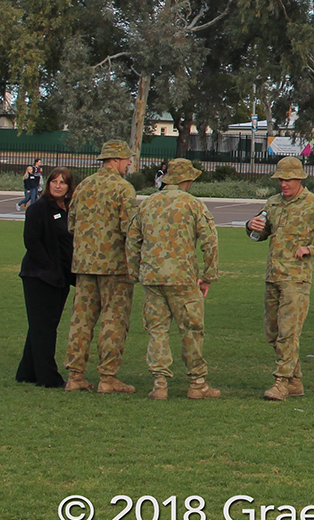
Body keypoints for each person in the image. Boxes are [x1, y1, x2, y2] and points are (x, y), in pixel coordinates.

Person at [246, 156, 314, 400]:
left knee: (288, 333)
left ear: (299, 179)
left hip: (296, 279)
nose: (284, 184)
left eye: (288, 179)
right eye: (280, 179)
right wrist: (250, 226)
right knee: (273, 333)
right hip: (273, 276)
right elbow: (260, 233)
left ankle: (281, 383)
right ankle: (295, 381)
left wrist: (312, 249)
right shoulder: (272, 204)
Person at [126, 158, 219, 400]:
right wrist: (208, 276)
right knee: (191, 329)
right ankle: (197, 382)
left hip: (152, 277)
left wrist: (135, 271)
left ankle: (159, 384)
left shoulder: (148, 204)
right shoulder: (193, 204)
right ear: (187, 180)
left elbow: (132, 240)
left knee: (157, 330)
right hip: (183, 278)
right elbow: (210, 242)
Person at [64, 141, 138, 394]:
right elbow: (130, 228)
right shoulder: (123, 188)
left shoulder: (84, 185)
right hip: (115, 266)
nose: (129, 163)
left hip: (84, 264)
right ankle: (108, 377)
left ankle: (75, 375)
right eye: (127, 159)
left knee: (81, 320)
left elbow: (71, 224)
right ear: (116, 160)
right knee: (113, 319)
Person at [17, 167, 74, 387]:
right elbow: (32, 242)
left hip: (59, 277)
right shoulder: (39, 208)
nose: (58, 185)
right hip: (40, 277)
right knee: (44, 328)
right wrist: (49, 268)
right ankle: (48, 377)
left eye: (63, 182)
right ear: (48, 184)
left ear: (69, 187)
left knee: (41, 326)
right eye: (54, 181)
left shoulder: (66, 209)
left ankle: (26, 372)